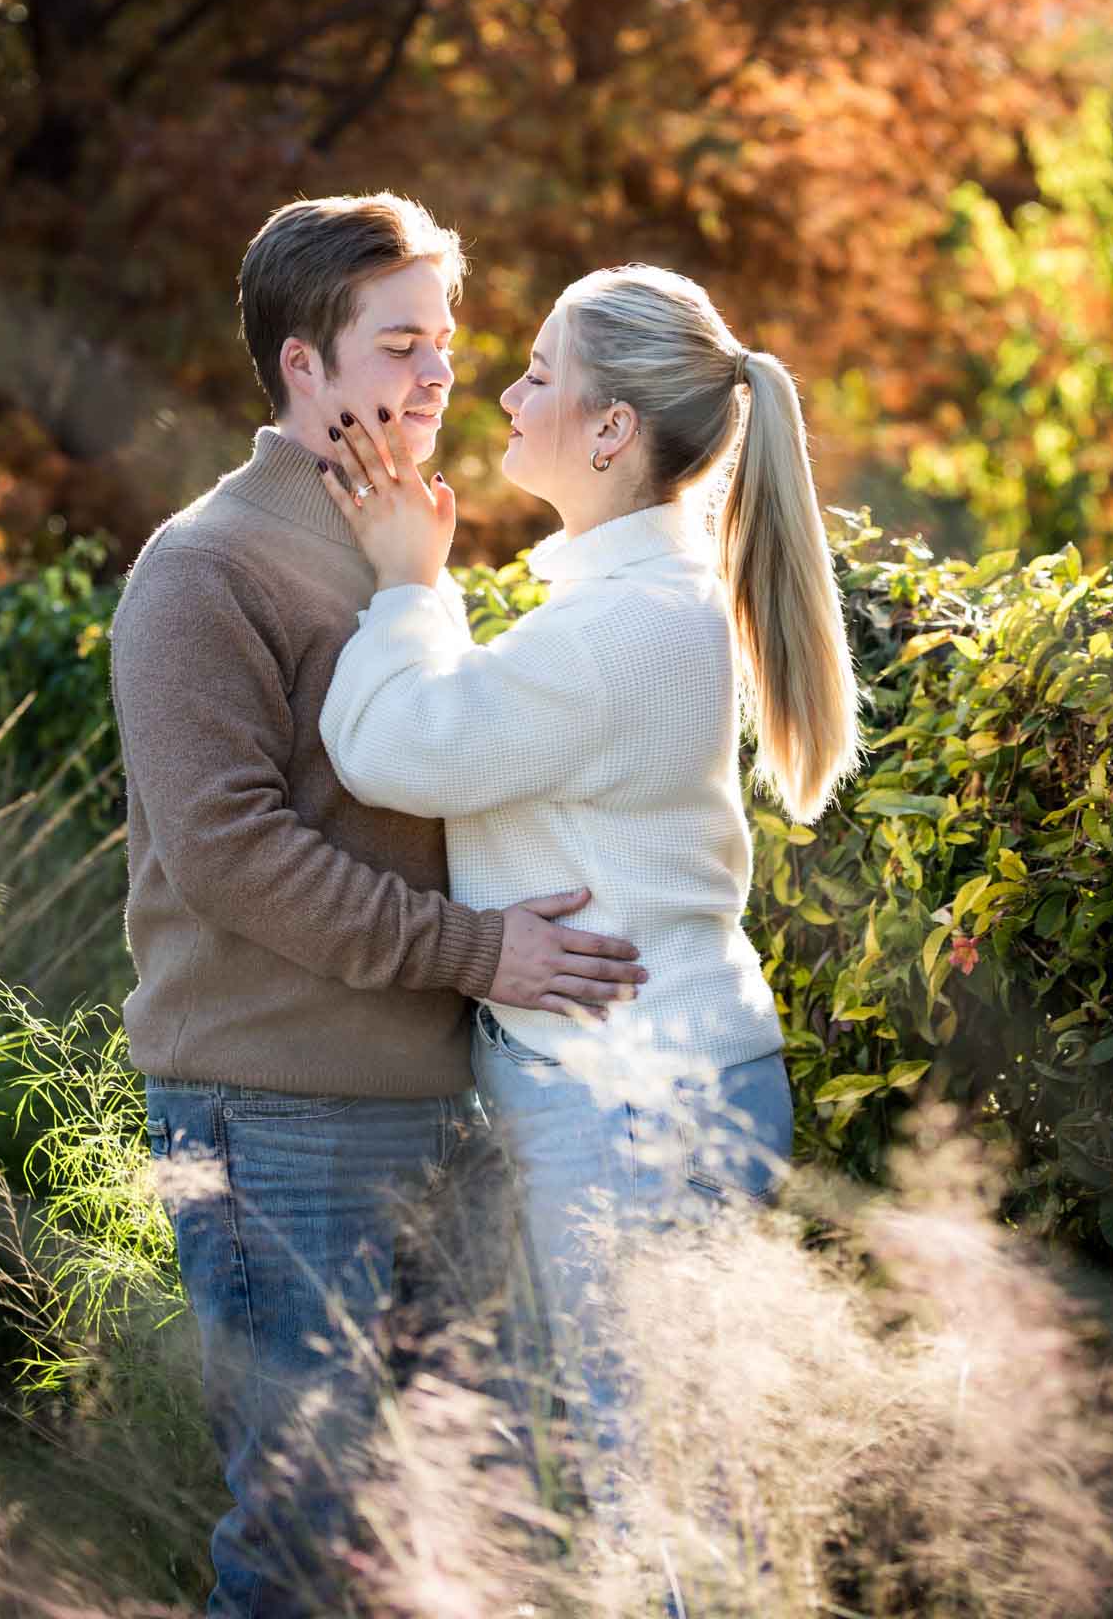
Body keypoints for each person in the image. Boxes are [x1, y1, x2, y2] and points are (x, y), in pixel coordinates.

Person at [109, 196, 648, 1619]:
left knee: (425, 1532)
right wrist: (484, 953)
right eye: (397, 344)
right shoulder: (201, 569)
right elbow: (229, 850)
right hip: (271, 1116)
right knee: (303, 1532)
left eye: (446, 344)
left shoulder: (403, 548)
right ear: (303, 366)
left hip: (429, 1096)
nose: (436, 376)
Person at [317, 261, 863, 1510]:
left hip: (631, 1110)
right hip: (649, 1088)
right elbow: (470, 722)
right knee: (665, 1482)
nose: (505, 393)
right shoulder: (629, 601)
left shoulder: (623, 626)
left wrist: (407, 576)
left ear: (612, 428)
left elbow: (395, 745)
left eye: (541, 374)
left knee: (659, 1501)